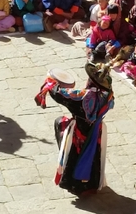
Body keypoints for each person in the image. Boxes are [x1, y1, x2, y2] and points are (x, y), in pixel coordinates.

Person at [37, 57, 113, 196]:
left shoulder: (83, 96)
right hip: (96, 131)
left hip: (80, 133)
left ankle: (76, 185)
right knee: (94, 155)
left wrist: (51, 83)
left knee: (61, 123)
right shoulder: (108, 96)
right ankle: (90, 185)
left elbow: (60, 94)